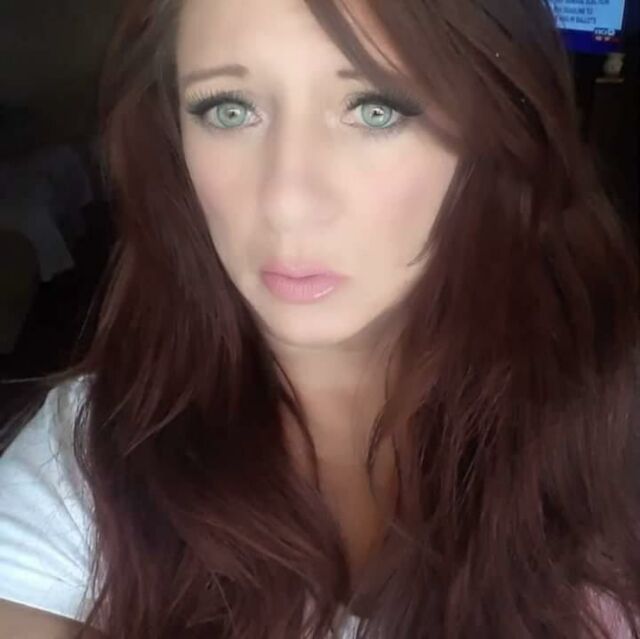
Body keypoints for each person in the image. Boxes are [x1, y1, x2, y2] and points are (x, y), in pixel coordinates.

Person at [0, 0, 638, 637]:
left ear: (494, 128)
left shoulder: (612, 440)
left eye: (375, 109)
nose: (287, 202)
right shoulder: (90, 464)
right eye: (229, 110)